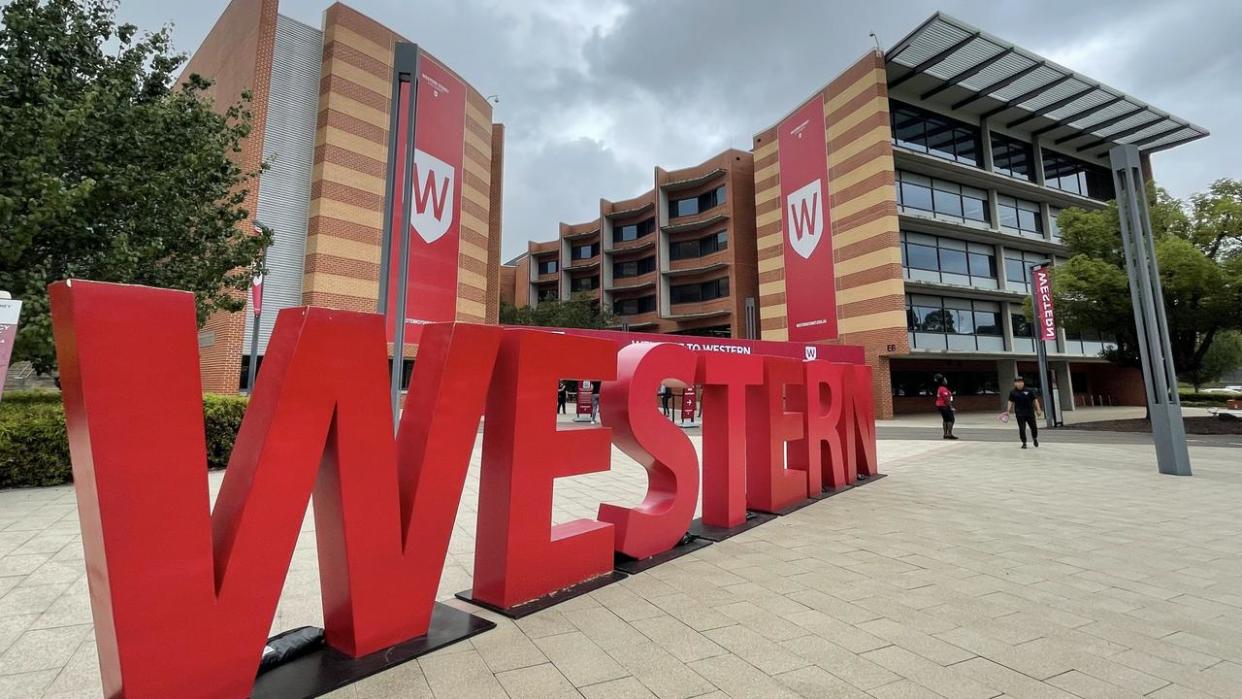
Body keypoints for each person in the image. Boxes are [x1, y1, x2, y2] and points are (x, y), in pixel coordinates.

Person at [1006, 376, 1043, 448]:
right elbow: (1010, 401)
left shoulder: (1029, 390)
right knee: (1022, 428)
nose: (1019, 384)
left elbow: (1035, 400)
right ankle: (1024, 442)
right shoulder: (1013, 392)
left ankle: (1034, 438)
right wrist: (1008, 411)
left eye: (1021, 382)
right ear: (1015, 383)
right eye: (1017, 382)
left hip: (1030, 413)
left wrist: (1038, 409)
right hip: (1019, 413)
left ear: (1023, 383)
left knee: (1034, 428)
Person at [934, 373, 958, 440]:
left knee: (945, 419)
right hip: (944, 406)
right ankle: (949, 434)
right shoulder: (943, 389)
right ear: (942, 381)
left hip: (940, 405)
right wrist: (951, 407)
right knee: (951, 419)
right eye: (945, 379)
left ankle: (945, 434)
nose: (946, 380)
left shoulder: (940, 388)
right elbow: (946, 400)